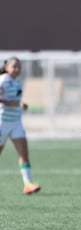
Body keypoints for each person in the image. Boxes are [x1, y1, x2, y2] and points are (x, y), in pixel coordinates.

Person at [0, 57, 40, 195]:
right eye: (14, 66)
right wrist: (11, 103)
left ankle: (28, 184)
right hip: (2, 123)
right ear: (6, 67)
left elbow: (15, 100)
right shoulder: (3, 79)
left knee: (24, 153)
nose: (17, 69)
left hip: (16, 123)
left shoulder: (16, 81)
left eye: (19, 66)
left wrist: (21, 104)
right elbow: (8, 101)